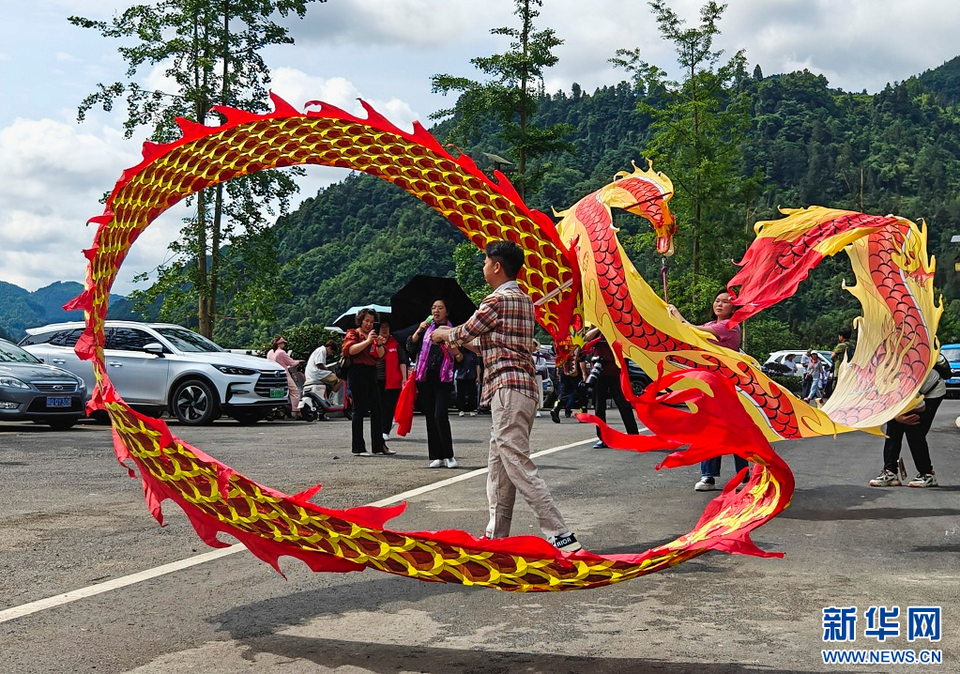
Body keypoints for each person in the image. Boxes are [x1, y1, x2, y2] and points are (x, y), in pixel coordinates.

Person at [430, 240, 583, 553]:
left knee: (515, 462)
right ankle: (497, 537)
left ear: (497, 266)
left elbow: (464, 333)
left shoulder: (496, 301)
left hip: (508, 390)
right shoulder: (523, 299)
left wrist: (443, 333)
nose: (483, 267)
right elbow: (489, 344)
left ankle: (560, 534)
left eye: (485, 262)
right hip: (522, 389)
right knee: (499, 466)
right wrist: (456, 341)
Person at [667, 291, 749, 491]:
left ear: (733, 308)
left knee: (734, 432)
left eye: (725, 302)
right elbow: (688, 333)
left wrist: (677, 314)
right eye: (717, 301)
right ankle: (708, 476)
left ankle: (744, 476)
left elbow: (693, 331)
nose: (719, 305)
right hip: (709, 385)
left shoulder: (730, 326)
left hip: (728, 386)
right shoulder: (710, 325)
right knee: (708, 430)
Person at [869, 367, 945, 488]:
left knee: (914, 430)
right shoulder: (879, 383)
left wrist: (899, 415)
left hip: (932, 391)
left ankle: (927, 474)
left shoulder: (903, 380)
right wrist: (897, 417)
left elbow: (921, 407)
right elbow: (885, 405)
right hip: (911, 392)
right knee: (892, 429)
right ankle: (890, 472)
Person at [407, 299, 460, 469]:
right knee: (430, 417)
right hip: (425, 378)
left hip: (443, 379)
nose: (436, 311)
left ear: (447, 312)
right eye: (434, 308)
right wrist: (419, 330)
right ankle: (436, 455)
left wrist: (455, 352)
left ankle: (449, 455)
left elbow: (461, 358)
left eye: (440, 308)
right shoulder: (425, 329)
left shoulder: (453, 331)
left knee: (440, 415)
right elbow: (410, 348)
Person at [342, 308, 394, 456]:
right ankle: (358, 447)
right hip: (357, 371)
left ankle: (379, 446)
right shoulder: (353, 333)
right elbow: (350, 350)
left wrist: (378, 344)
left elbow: (380, 355)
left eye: (372, 322)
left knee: (377, 408)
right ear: (360, 320)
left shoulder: (374, 335)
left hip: (371, 372)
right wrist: (367, 341)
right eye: (366, 321)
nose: (369, 324)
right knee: (359, 410)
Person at [582, 327, 639, 447]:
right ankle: (603, 438)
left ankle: (634, 436)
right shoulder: (595, 329)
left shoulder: (617, 327)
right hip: (598, 373)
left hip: (616, 372)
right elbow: (586, 338)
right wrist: (599, 327)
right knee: (599, 407)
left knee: (623, 405)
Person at [375, 320, 406, 441]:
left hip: (393, 380)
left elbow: (402, 361)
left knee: (389, 406)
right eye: (382, 327)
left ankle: (385, 430)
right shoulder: (374, 342)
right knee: (379, 406)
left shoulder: (396, 342)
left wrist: (404, 378)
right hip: (378, 379)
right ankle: (379, 429)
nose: (384, 329)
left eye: (387, 327)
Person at [267, 336, 302, 419]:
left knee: (275, 393)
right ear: (281, 344)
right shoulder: (281, 352)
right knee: (295, 392)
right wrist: (299, 361)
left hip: (272, 376)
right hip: (284, 375)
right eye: (283, 343)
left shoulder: (270, 352)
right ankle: (296, 412)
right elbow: (291, 362)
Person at [550, 348, 583, 423]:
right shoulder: (577, 340)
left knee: (564, 392)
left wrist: (558, 368)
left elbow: (556, 353)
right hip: (575, 370)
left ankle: (555, 408)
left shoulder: (562, 341)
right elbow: (582, 358)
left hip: (564, 368)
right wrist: (584, 373)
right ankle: (583, 415)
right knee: (581, 392)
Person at [455, 347, 479, 417]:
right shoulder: (459, 351)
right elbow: (457, 361)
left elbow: (477, 365)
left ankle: (471, 409)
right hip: (461, 375)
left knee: (471, 393)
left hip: (471, 374)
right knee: (461, 393)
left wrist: (477, 376)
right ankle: (461, 409)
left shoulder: (473, 353)